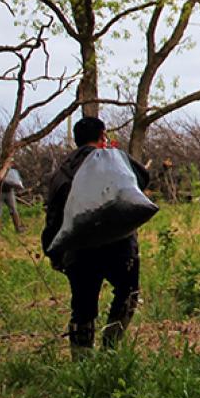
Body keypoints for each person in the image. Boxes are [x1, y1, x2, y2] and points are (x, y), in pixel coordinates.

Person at [42, 116, 150, 359]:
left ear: (76, 140)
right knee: (128, 293)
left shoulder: (63, 170)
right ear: (103, 135)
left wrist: (54, 251)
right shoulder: (115, 159)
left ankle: (82, 361)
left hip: (78, 249)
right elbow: (142, 178)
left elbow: (54, 216)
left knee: (82, 306)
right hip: (120, 246)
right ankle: (110, 348)